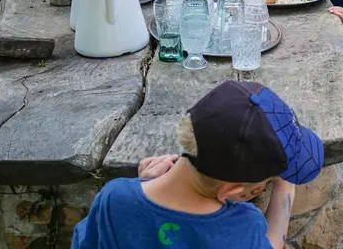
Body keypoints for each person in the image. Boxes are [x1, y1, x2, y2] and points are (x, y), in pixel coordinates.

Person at [71, 81, 324, 249]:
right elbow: (272, 244)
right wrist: (284, 188)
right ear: (232, 190)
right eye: (266, 182)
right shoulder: (243, 226)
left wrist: (143, 185)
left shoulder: (114, 198)